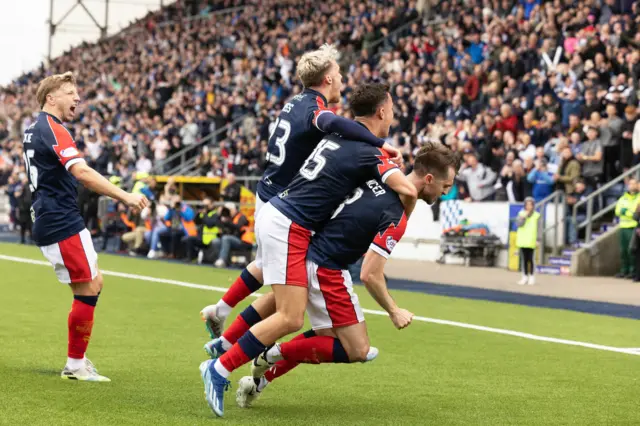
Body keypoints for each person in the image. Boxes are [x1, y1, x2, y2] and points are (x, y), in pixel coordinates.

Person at [200, 82, 417, 417]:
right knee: (290, 316)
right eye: (392, 110)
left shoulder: (343, 137)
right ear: (382, 111)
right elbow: (407, 189)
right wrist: (394, 164)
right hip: (289, 224)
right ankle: (219, 368)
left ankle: (225, 342)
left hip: (283, 216)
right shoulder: (367, 151)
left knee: (286, 299)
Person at [226, 143, 460, 406]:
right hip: (327, 268)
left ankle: (260, 379)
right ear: (429, 179)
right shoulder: (395, 214)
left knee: (327, 338)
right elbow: (371, 274)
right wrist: (394, 310)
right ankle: (269, 354)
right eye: (445, 185)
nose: (446, 192)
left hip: (314, 255)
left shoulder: (379, 175)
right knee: (357, 349)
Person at [200, 45, 402, 340]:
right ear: (328, 79)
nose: (343, 80)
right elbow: (330, 123)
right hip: (283, 201)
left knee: (272, 272)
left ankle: (222, 317)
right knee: (286, 290)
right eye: (339, 74)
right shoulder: (315, 109)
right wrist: (379, 143)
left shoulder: (294, 102)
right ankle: (231, 340)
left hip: (272, 189)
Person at [24, 72, 148, 381]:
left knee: (94, 283)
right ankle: (75, 365)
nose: (77, 98)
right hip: (60, 219)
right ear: (51, 98)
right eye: (69, 92)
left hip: (55, 215)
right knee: (89, 286)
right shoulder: (53, 129)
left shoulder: (34, 128)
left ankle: (77, 359)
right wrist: (125, 196)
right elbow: (82, 172)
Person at [210, 203, 252, 268]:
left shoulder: (241, 216)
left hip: (243, 241)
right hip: (232, 239)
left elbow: (238, 227)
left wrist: (227, 223)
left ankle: (222, 259)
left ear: (233, 209)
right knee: (216, 241)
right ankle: (220, 260)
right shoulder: (228, 218)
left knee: (226, 238)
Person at [614, 178, 640, 278]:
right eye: (630, 184)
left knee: (631, 250)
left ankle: (632, 271)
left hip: (633, 227)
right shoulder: (623, 197)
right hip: (623, 226)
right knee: (623, 250)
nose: (631, 186)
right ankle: (623, 270)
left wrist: (626, 212)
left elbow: (635, 212)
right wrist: (625, 212)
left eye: (634, 183)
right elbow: (617, 210)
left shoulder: (638, 197)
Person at [183, 197, 219, 263]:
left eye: (206, 205)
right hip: (201, 238)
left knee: (215, 243)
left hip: (211, 239)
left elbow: (209, 224)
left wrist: (204, 214)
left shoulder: (215, 214)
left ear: (211, 205)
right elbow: (196, 221)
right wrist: (198, 212)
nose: (204, 207)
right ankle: (191, 258)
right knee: (189, 239)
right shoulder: (203, 213)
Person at [515, 197, 540, 285]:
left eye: (531, 205)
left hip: (532, 240)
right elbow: (518, 224)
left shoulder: (537, 215)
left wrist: (538, 239)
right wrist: (524, 217)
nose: (529, 206)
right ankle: (524, 276)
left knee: (531, 259)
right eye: (527, 205)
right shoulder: (521, 213)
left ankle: (532, 276)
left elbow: (539, 228)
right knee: (524, 259)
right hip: (523, 239)